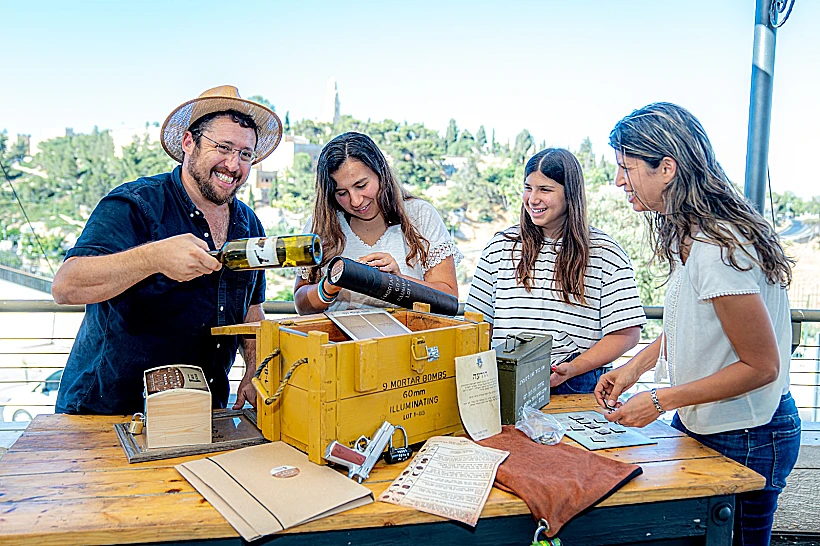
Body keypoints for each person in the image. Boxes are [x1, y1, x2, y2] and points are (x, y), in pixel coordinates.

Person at [596, 102, 801, 546]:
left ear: (666, 168)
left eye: (625, 168)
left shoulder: (715, 245)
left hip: (748, 433)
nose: (618, 181)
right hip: (707, 422)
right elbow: (695, 323)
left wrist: (659, 400)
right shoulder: (688, 231)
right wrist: (634, 368)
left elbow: (761, 365)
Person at [52, 85, 283, 415]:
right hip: (108, 413)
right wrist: (153, 257)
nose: (234, 165)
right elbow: (66, 286)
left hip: (202, 414)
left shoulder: (250, 225)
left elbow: (251, 313)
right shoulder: (135, 204)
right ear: (189, 142)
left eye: (245, 154)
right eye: (224, 147)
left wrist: (255, 368)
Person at [465, 148, 646, 394]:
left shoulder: (606, 253)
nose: (533, 198)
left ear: (570, 194)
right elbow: (475, 323)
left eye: (545, 190)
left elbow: (627, 334)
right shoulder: (499, 247)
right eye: (528, 188)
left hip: (578, 384)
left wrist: (573, 368)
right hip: (504, 379)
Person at [294, 131, 462, 313]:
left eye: (361, 186)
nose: (356, 201)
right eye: (342, 193)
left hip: (411, 339)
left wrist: (397, 282)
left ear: (381, 173)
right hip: (339, 340)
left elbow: (449, 299)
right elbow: (301, 305)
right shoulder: (321, 224)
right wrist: (328, 287)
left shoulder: (420, 215)